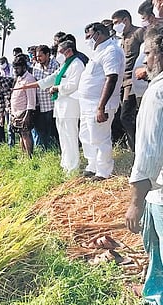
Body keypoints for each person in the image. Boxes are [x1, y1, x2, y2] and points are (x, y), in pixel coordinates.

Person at [125, 23, 163, 304]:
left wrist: (135, 203)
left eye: (147, 53)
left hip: (160, 194)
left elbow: (148, 155)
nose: (144, 60)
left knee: (158, 247)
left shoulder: (157, 93)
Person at [14, 40, 85, 173]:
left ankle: (74, 166)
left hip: (70, 106)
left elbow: (73, 85)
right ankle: (66, 165)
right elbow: (49, 79)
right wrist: (27, 86)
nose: (57, 55)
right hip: (61, 107)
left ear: (68, 51)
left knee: (70, 137)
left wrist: (57, 88)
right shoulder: (65, 65)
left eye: (59, 52)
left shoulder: (77, 65)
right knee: (63, 137)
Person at [77, 22, 125, 181]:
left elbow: (111, 78)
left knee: (100, 138)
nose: (87, 40)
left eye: (88, 36)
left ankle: (103, 171)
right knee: (86, 136)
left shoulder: (111, 51)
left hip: (100, 105)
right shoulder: (98, 51)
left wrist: (101, 107)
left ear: (98, 34)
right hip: (87, 104)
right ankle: (93, 165)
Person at [112, 9, 145, 152]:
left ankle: (138, 149)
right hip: (123, 83)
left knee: (127, 116)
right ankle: (136, 149)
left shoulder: (139, 33)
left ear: (125, 20)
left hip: (135, 82)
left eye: (116, 23)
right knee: (127, 117)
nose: (114, 27)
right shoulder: (121, 39)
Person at [32, 44, 60, 150]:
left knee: (54, 131)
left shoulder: (55, 65)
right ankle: (48, 151)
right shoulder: (36, 68)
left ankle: (57, 150)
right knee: (43, 132)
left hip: (53, 104)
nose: (38, 59)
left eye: (40, 56)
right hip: (41, 106)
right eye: (37, 56)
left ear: (47, 55)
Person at [11, 55, 37, 157]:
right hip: (16, 113)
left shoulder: (29, 79)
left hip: (24, 112)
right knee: (21, 135)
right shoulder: (18, 79)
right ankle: (24, 155)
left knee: (26, 135)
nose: (15, 70)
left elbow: (31, 100)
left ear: (24, 67)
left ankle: (29, 157)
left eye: (17, 68)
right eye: (14, 68)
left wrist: (28, 114)